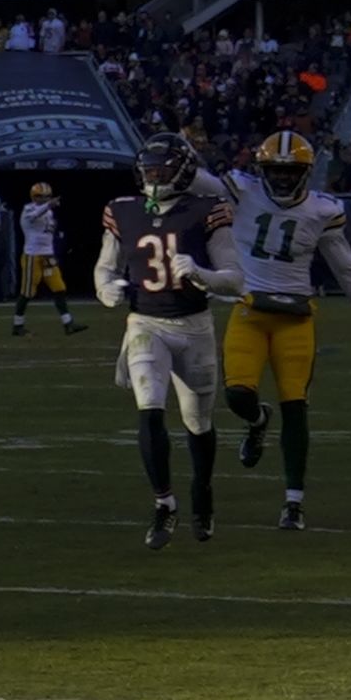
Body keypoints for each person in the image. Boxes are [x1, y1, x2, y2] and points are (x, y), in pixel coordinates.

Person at [187, 131, 351, 531]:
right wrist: (174, 152)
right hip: (249, 310)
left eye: (291, 171)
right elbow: (192, 177)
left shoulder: (323, 210)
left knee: (296, 406)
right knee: (238, 395)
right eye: (276, 170)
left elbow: (347, 270)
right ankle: (257, 422)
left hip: (297, 318)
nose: (284, 178)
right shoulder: (240, 190)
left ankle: (294, 502)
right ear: (262, 170)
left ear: (306, 173)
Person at [94, 135, 237, 549]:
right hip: (145, 324)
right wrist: (108, 291)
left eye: (162, 169)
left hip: (194, 326)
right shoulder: (123, 210)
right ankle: (164, 504)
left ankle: (202, 492)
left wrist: (202, 274)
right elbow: (104, 267)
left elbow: (235, 277)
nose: (154, 177)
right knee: (149, 408)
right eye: (149, 169)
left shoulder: (206, 210)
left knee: (198, 423)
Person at [14, 180, 85, 336]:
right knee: (27, 292)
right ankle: (17, 325)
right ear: (34, 196)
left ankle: (68, 323)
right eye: (41, 196)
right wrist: (48, 205)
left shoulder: (49, 212)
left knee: (59, 288)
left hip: (48, 254)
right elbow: (33, 216)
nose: (44, 199)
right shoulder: (28, 209)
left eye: (47, 196)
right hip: (33, 255)